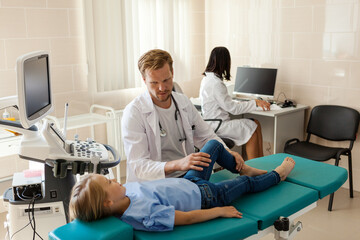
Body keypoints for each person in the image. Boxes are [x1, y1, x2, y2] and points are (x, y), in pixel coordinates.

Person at [69, 139, 295, 232]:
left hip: (188, 182)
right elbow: (184, 218)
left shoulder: (121, 196)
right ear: (108, 202)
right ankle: (277, 176)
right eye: (109, 182)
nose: (115, 180)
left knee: (213, 145)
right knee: (244, 184)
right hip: (207, 197)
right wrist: (219, 211)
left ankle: (244, 167)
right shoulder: (143, 214)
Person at [122, 49, 245, 182]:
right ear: (144, 80)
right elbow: (139, 166)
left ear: (172, 73)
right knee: (224, 190)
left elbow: (206, 136)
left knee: (216, 149)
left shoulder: (182, 102)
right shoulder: (134, 112)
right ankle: (261, 176)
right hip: (154, 184)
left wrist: (228, 151)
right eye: (154, 83)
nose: (162, 88)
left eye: (166, 80)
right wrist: (179, 164)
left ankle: (252, 173)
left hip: (185, 176)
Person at [200, 46, 270, 160]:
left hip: (213, 123)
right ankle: (254, 168)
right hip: (219, 125)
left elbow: (224, 103)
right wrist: (255, 103)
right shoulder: (216, 83)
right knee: (251, 128)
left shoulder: (207, 79)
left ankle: (261, 160)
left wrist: (253, 102)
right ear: (225, 62)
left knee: (256, 123)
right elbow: (233, 109)